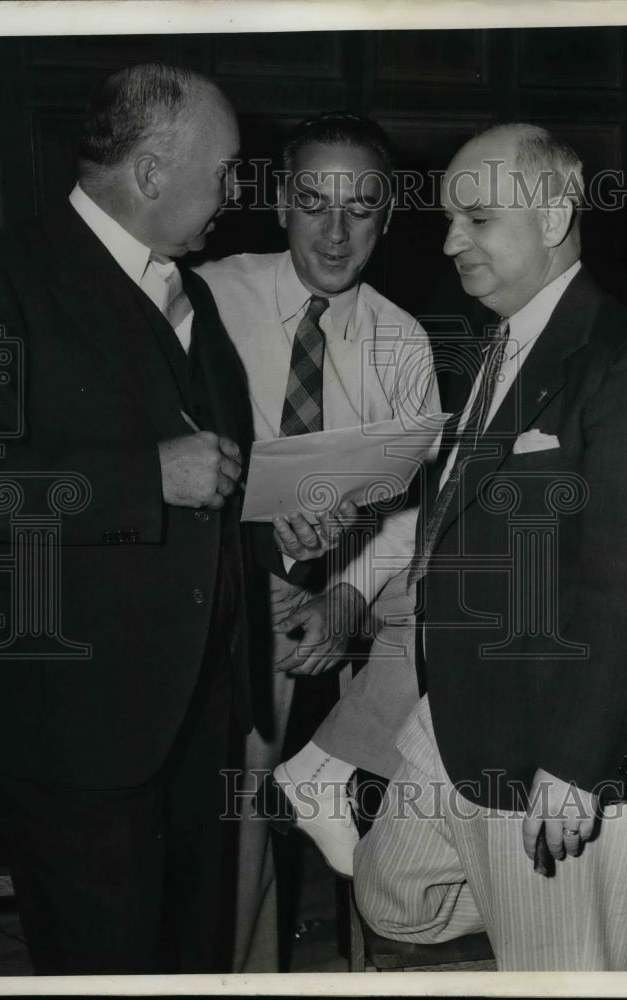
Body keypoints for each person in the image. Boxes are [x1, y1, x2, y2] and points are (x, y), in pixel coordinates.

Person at [0, 63, 342, 976]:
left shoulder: (192, 294)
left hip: (202, 721)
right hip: (78, 736)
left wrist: (269, 535)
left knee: (191, 959)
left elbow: (210, 482)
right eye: (227, 171)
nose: (236, 193)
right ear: (154, 171)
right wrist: (143, 479)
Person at [349, 123, 627, 970]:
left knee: (559, 972)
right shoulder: (503, 345)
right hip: (457, 717)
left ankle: (596, 899)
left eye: (476, 219)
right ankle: (617, 888)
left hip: (546, 741)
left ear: (552, 215)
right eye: (446, 220)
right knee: (389, 893)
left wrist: (578, 768)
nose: (448, 239)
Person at [196, 112, 440, 969]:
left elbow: (412, 503)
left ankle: (387, 940)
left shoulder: (402, 338)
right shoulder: (205, 297)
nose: (336, 231)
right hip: (232, 582)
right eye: (314, 202)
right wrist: (242, 564)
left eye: (361, 207)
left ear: (387, 217)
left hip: (346, 590)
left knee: (470, 621)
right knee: (240, 812)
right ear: (278, 203)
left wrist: (343, 597)